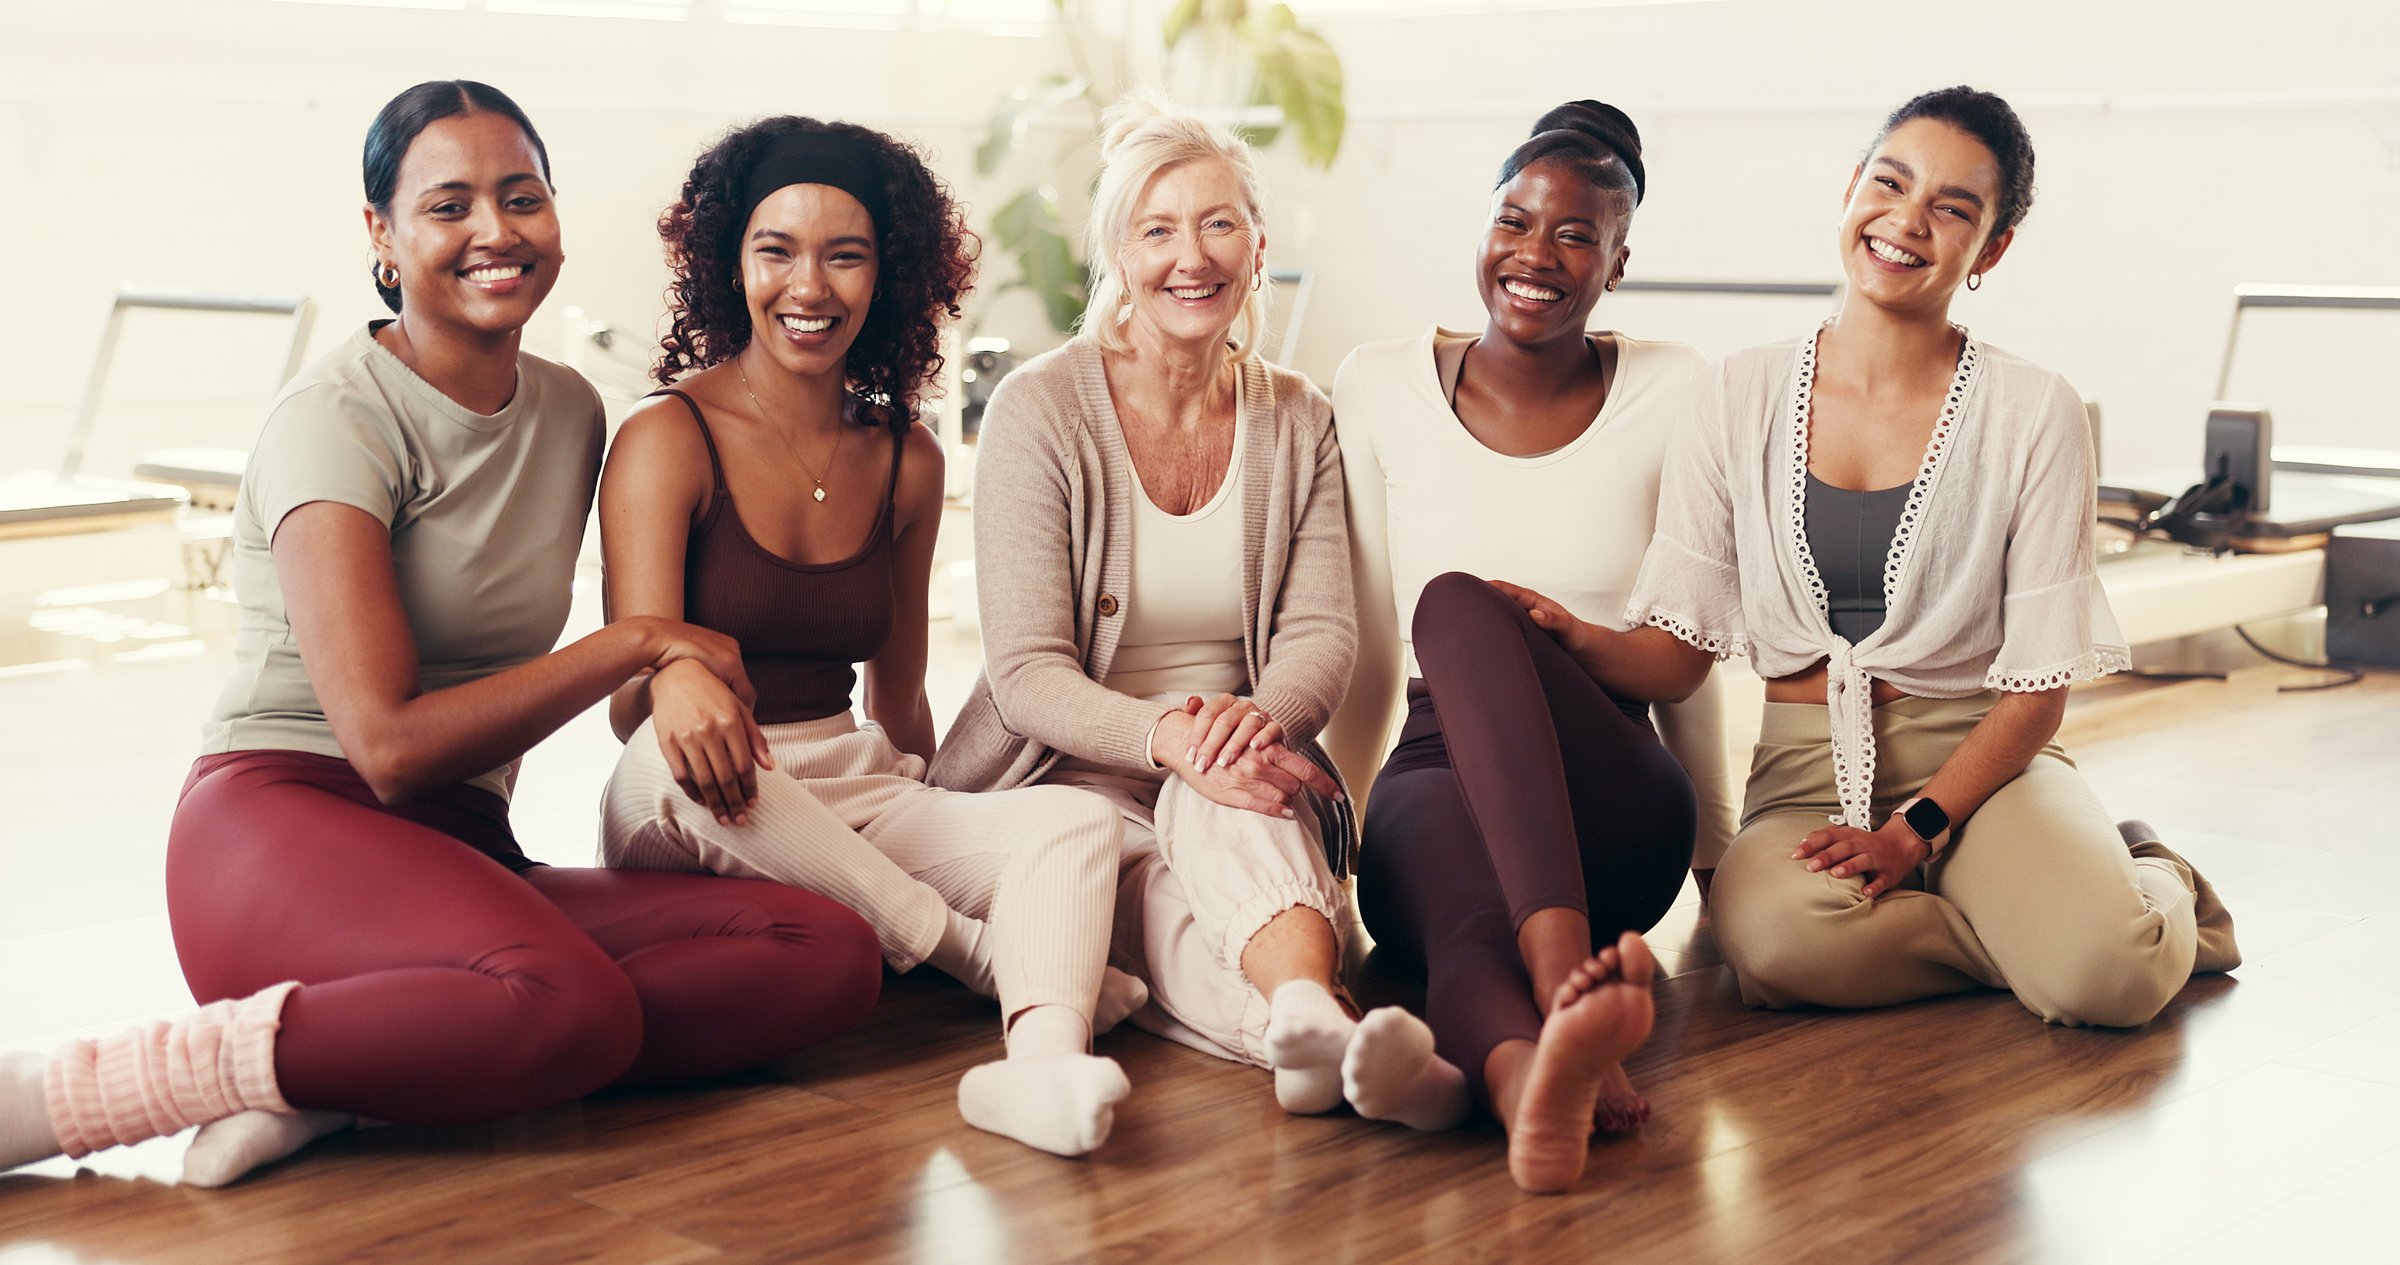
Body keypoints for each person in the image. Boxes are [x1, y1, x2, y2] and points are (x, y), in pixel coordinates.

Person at [0, 81, 882, 1188]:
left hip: (462, 847)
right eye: (449, 205)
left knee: (828, 951)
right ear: (381, 234)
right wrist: (646, 641)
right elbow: (388, 746)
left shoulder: (570, 413)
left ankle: (356, 1075)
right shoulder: (337, 416)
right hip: (286, 823)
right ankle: (76, 1089)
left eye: (523, 198)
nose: (495, 233)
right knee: (564, 1001)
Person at [1501, 85, 2240, 1036]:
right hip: (1805, 775)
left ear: (1993, 249)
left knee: (2109, 980)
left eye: (1954, 208)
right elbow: (1681, 649)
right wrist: (1577, 640)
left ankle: (2148, 883)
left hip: (1987, 769)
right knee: (1769, 949)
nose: (1907, 220)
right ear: (1852, 188)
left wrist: (1913, 833)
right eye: (1890, 182)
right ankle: (2033, 926)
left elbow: (2037, 691)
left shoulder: (2035, 410)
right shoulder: (1736, 395)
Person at [594, 116, 1132, 1158]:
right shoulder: (668, 436)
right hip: (688, 793)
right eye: (777, 250)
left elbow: (900, 696)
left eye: (847, 254)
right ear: (729, 263)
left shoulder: (909, 458)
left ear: (889, 274)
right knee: (670, 751)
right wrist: (673, 674)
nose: (812, 286)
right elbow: (629, 694)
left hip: (848, 781)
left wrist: (963, 821)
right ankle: (973, 957)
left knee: (1070, 824)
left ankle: (1041, 1066)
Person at [929, 92, 1451, 1120]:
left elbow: (1319, 633)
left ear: (1258, 248)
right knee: (1159, 893)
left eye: (1218, 224)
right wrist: (1175, 735)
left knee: (1230, 799)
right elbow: (1028, 674)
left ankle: (1308, 1024)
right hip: (1062, 776)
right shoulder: (1042, 408)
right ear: (1117, 255)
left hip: (1239, 759)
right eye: (1157, 229)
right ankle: (1324, 1028)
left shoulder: (1299, 418)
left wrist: (1243, 728)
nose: (1191, 256)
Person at [1324, 100, 1736, 1194]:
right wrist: (1333, 842)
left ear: (1618, 260)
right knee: (1457, 923)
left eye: (1574, 234)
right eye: (1515, 221)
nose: (1536, 255)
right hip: (1430, 767)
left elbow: (1687, 659)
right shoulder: (1377, 383)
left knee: (1462, 603)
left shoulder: (1675, 388)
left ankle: (1559, 981)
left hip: (1612, 784)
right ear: (1485, 226)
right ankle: (1529, 1083)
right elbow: (1369, 637)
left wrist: (1717, 862)